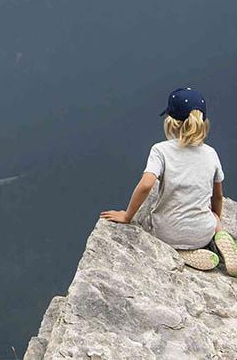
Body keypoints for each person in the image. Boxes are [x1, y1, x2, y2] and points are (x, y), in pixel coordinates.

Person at [100, 87, 237, 274]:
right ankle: (220, 237)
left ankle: (180, 252)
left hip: (167, 233)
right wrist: (213, 221)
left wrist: (126, 216)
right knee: (213, 217)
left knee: (149, 219)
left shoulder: (160, 150)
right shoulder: (211, 153)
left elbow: (147, 184)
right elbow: (218, 197)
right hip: (203, 233)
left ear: (171, 122)